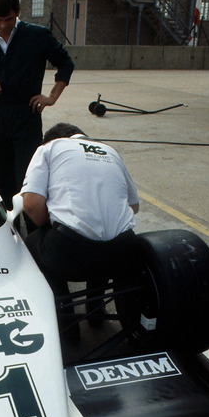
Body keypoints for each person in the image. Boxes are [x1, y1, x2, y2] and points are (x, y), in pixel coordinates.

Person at [0, 0, 74, 212]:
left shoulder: (37, 36)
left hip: (27, 117)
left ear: (18, 12)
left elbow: (66, 63)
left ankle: (33, 236)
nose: (3, 25)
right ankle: (8, 228)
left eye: (8, 19)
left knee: (29, 180)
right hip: (0, 118)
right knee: (2, 180)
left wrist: (51, 97)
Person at [21, 122, 139, 333]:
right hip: (123, 253)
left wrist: (51, 226)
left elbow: (30, 204)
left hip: (70, 256)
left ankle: (64, 316)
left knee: (32, 243)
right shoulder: (110, 151)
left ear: (53, 139)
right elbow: (133, 206)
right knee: (100, 231)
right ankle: (95, 311)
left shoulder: (49, 148)